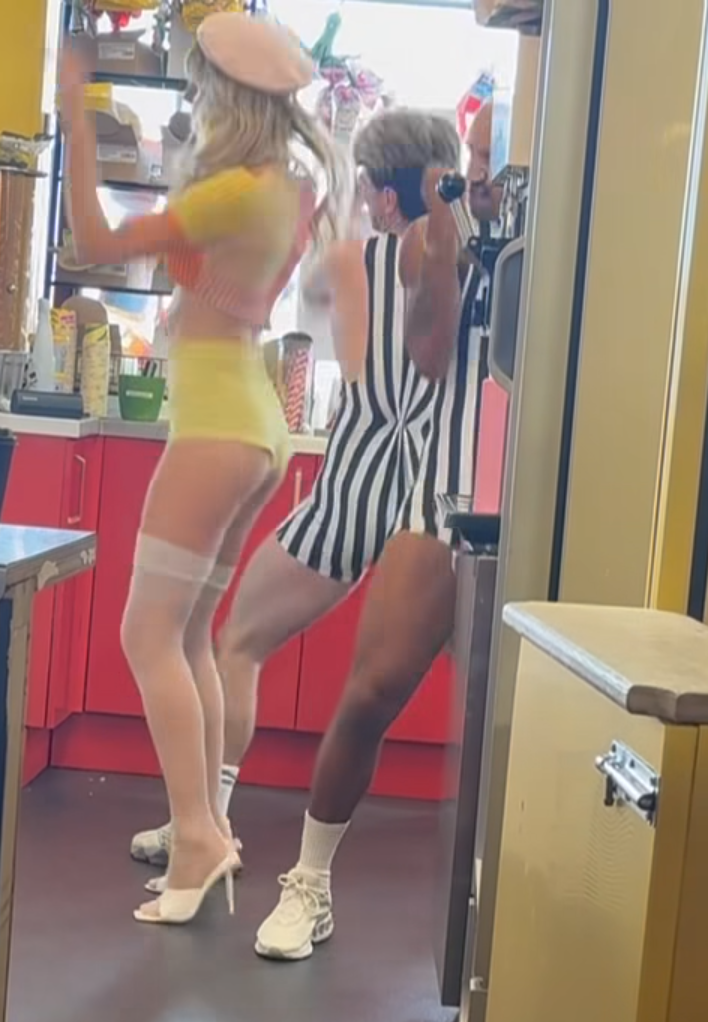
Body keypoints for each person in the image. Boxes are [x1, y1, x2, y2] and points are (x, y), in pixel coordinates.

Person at [59, 14, 347, 925]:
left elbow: (93, 241)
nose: (193, 99)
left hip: (216, 424)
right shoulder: (286, 188)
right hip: (255, 424)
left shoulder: (235, 192)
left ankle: (196, 837)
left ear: (229, 98)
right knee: (188, 639)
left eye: (200, 87)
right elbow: (211, 278)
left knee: (146, 636)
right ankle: (211, 826)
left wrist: (73, 114)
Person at [128, 108, 463, 874]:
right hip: (434, 497)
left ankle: (203, 824)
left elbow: (351, 361)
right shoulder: (462, 264)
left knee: (238, 642)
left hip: (355, 486)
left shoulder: (355, 260)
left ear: (384, 195)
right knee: (442, 688)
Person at [253, 99, 502, 960]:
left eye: (488, 155)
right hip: (445, 491)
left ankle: (512, 917)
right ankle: (309, 884)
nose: (478, 171)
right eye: (471, 156)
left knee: (520, 726)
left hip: (539, 496)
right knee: (370, 691)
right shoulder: (429, 241)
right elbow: (429, 355)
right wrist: (445, 231)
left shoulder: (543, 239)